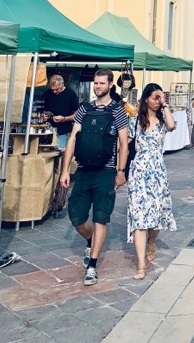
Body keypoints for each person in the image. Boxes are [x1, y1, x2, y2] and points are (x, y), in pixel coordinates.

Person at [60, 69, 128, 286]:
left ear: (110, 85)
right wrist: (64, 170)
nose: (97, 87)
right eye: (95, 83)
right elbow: (72, 139)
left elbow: (124, 143)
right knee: (77, 217)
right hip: (83, 170)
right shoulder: (84, 109)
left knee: (101, 216)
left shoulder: (118, 111)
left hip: (106, 172)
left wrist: (120, 170)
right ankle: (90, 239)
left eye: (101, 83)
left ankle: (92, 265)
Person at [127, 83, 177, 279]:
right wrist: (120, 169)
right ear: (146, 98)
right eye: (154, 98)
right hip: (139, 171)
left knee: (155, 219)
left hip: (157, 172)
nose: (157, 101)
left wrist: (164, 104)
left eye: (160, 98)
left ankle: (152, 241)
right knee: (139, 218)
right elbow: (125, 145)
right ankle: (140, 265)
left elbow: (173, 126)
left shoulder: (163, 122)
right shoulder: (135, 122)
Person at [42, 74, 79, 150]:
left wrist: (64, 118)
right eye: (52, 89)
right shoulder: (46, 94)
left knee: (60, 153)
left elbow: (77, 115)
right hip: (47, 132)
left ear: (62, 84)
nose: (55, 91)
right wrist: (43, 116)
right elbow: (40, 111)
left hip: (64, 132)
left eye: (57, 89)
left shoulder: (71, 95)